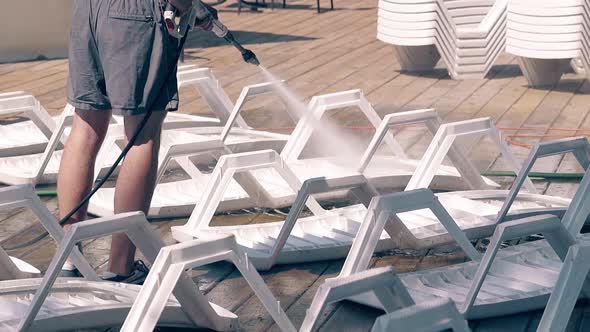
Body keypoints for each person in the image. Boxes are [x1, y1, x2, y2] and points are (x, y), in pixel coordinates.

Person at [58, 0, 212, 283]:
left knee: (85, 126)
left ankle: (69, 256)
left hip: (87, 11)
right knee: (142, 133)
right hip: (135, 15)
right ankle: (120, 267)